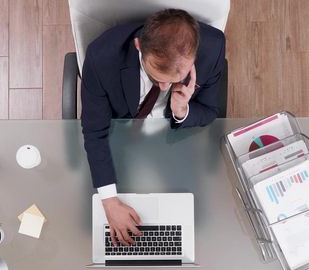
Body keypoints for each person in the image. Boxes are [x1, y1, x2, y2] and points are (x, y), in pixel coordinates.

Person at [81, 9, 226, 247]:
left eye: (173, 79)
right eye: (156, 75)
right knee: (90, 226)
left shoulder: (213, 47)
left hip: (173, 134)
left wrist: (183, 111)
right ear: (138, 46)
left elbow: (209, 111)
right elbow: (94, 131)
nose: (164, 85)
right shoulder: (102, 56)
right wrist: (109, 201)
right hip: (120, 134)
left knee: (195, 223)